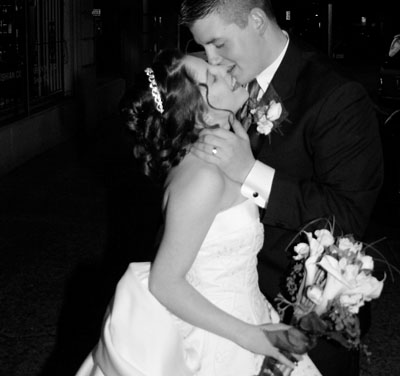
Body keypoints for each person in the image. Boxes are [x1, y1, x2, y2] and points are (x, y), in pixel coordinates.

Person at [179, 0, 384, 376]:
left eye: (219, 43)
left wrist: (251, 172)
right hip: (233, 301)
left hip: (307, 310)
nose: (213, 60)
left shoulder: (337, 96)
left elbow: (348, 216)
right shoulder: (228, 84)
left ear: (256, 21)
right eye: (204, 48)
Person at [75, 48, 321, 376]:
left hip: (248, 312)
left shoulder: (217, 154)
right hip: (221, 340)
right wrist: (250, 336)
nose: (224, 71)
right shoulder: (203, 177)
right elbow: (164, 282)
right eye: (211, 78)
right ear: (201, 116)